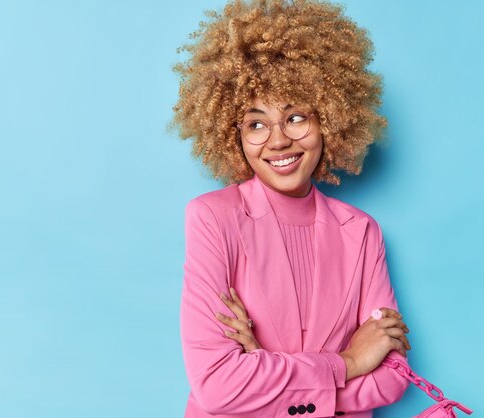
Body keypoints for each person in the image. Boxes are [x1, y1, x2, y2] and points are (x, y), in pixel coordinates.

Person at [171, 0, 412, 417]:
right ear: (235, 135)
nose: (278, 140)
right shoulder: (213, 218)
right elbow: (216, 386)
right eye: (256, 124)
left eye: (296, 116)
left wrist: (261, 364)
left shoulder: (361, 232)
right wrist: (349, 363)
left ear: (330, 119)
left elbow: (392, 377)